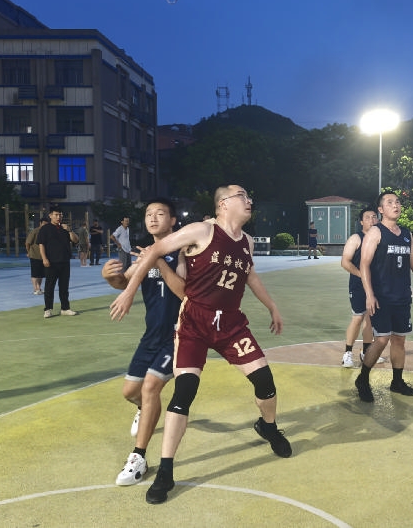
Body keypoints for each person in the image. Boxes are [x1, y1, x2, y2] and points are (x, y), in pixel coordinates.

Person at [109, 185, 291, 505]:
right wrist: (127, 291)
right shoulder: (201, 231)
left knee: (265, 381)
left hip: (231, 324)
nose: (249, 200)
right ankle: (166, 471)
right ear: (223, 204)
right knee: (184, 391)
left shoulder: (246, 242)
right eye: (242, 195)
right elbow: (154, 250)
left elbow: (250, 276)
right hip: (194, 321)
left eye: (249, 196)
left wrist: (273, 307)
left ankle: (268, 427)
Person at [103, 198, 186, 487]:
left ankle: (139, 457)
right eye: (149, 214)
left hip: (177, 335)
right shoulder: (144, 254)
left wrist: (159, 260)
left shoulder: (183, 251)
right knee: (130, 392)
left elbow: (185, 291)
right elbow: (124, 282)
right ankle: (145, 409)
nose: (152, 218)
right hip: (151, 336)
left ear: (172, 220)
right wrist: (109, 277)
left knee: (150, 387)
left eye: (160, 213)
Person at [355, 190, 413, 403]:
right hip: (381, 297)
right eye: (390, 202)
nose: (396, 205)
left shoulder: (406, 234)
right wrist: (369, 294)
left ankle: (397, 381)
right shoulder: (375, 233)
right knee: (381, 339)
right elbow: (364, 264)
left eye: (398, 202)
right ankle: (363, 379)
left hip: (402, 297)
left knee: (399, 340)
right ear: (381, 209)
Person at [340, 207, 386, 367]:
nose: (372, 220)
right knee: (358, 317)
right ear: (361, 222)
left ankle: (366, 352)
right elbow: (345, 262)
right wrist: (362, 275)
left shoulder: (380, 239)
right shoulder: (356, 238)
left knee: (370, 318)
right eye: (368, 217)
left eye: (374, 217)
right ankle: (347, 353)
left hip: (376, 286)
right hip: (358, 286)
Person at [37, 205, 79, 318]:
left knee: (64, 286)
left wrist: (69, 230)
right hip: (51, 262)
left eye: (60, 215)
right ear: (50, 215)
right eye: (56, 215)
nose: (58, 217)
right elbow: (41, 245)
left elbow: (76, 240)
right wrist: (44, 258)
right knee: (49, 286)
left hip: (64, 261)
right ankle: (48, 309)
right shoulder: (45, 229)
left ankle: (65, 308)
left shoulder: (65, 228)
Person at [25, 218, 47, 295]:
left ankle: (39, 288)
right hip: (34, 254)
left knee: (41, 273)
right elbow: (27, 243)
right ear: (40, 223)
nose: (45, 225)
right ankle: (35, 289)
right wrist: (29, 252)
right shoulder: (35, 231)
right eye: (44, 224)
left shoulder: (47, 232)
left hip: (43, 256)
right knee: (35, 272)